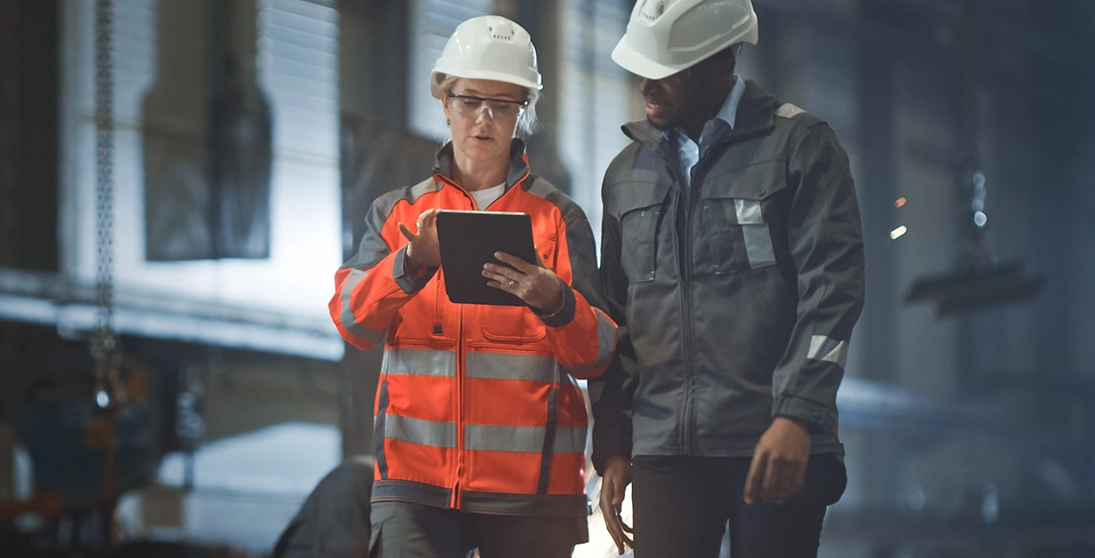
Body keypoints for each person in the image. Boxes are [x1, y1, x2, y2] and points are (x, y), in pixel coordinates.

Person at [328, 15, 618, 558]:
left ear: (521, 113)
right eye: (469, 100)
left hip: (532, 498)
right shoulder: (397, 216)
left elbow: (599, 352)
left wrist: (557, 303)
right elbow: (350, 319)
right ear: (444, 101)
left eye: (503, 105)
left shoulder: (560, 220)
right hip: (415, 492)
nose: (484, 118)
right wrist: (409, 265)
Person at [587, 0, 866, 556]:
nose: (646, 82)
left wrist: (797, 416)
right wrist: (614, 443)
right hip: (665, 449)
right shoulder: (626, 175)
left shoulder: (799, 148)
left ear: (721, 63)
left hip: (771, 441)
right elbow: (612, 317)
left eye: (667, 69)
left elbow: (832, 295)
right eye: (642, 66)